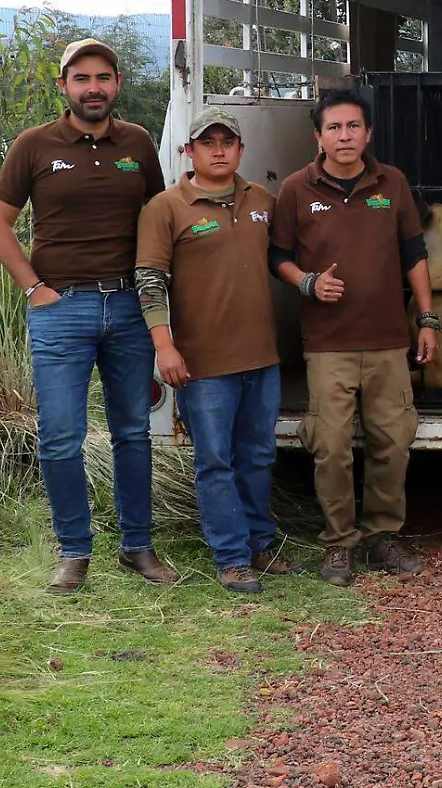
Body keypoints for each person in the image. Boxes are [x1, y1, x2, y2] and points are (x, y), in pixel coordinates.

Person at [0, 38, 177, 595]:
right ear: (64, 86)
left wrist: (160, 304)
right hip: (60, 309)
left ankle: (137, 548)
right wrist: (35, 288)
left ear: (117, 83)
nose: (93, 88)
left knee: (132, 434)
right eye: (81, 79)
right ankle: (74, 554)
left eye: (103, 77)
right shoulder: (34, 145)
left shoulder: (138, 143)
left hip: (127, 306)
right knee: (61, 438)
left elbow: (157, 221)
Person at [270, 89, 439, 586]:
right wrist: (308, 282)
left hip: (389, 339)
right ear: (318, 136)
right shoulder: (298, 190)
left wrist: (426, 319)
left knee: (393, 442)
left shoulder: (393, 184)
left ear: (369, 134)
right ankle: (339, 544)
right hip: (327, 344)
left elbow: (414, 254)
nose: (344, 137)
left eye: (353, 127)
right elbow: (276, 255)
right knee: (332, 444)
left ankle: (383, 536)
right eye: (334, 128)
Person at [136, 107, 301, 594]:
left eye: (227, 141)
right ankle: (231, 559)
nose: (219, 149)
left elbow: (282, 257)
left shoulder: (261, 200)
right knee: (215, 461)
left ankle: (260, 545)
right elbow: (149, 281)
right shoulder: (166, 208)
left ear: (241, 149)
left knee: (257, 455)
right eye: (207, 142)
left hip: (262, 359)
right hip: (204, 365)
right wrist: (164, 348)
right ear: (189, 151)